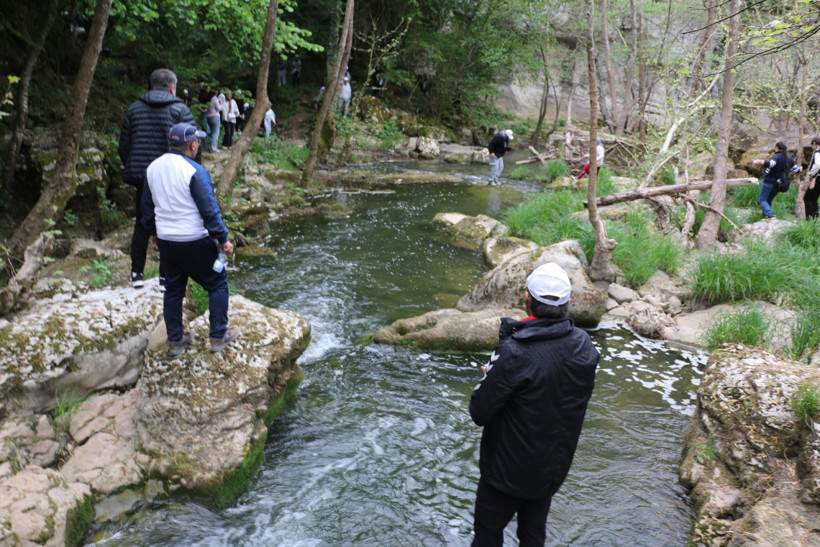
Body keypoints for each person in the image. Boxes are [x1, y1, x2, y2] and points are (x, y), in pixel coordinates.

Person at [469, 262, 599, 546]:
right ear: (569, 302)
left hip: (505, 473)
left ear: (527, 299)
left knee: (487, 535)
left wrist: (494, 374)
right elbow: (552, 389)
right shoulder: (585, 347)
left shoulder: (514, 352)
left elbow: (479, 411)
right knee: (532, 535)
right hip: (550, 471)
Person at [142, 123, 241, 355]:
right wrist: (223, 239)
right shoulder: (194, 171)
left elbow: (147, 207)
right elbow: (209, 210)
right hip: (194, 239)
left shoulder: (153, 168)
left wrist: (153, 232)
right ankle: (218, 336)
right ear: (193, 144)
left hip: (167, 240)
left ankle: (176, 340)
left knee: (174, 289)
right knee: (217, 283)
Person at [119, 68, 196, 289]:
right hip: (171, 175)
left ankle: (136, 274)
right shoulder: (180, 109)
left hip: (142, 175)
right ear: (172, 87)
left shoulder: (134, 110)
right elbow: (193, 147)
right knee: (167, 221)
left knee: (141, 224)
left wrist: (134, 167)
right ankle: (164, 278)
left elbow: (124, 145)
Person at [752, 141, 801, 219]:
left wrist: (759, 161)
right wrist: (799, 169)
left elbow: (772, 164)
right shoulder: (789, 158)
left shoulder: (777, 156)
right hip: (779, 184)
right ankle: (766, 216)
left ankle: (771, 215)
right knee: (768, 201)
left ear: (777, 148)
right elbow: (795, 170)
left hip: (769, 182)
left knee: (762, 200)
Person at [804, 136, 820, 220]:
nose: (812, 147)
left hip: (817, 178)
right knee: (814, 199)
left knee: (807, 198)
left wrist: (811, 174)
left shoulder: (818, 152)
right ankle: (815, 219)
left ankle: (811, 220)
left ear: (814, 143)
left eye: (812, 145)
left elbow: (817, 165)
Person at [204, 89, 221, 153]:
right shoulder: (215, 98)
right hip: (215, 117)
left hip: (208, 117)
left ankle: (208, 146)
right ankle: (213, 148)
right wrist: (222, 104)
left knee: (211, 133)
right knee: (215, 133)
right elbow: (218, 108)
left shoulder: (208, 99)